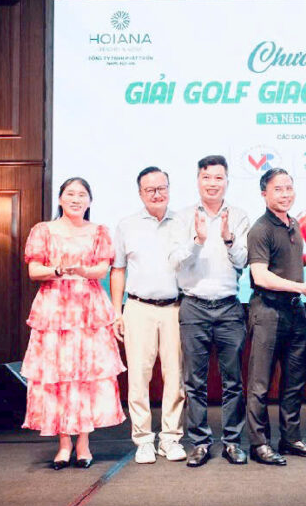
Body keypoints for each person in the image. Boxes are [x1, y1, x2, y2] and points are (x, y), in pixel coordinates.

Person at [21, 177, 126, 470]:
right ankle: (63, 444)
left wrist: (82, 270)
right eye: (70, 194)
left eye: (82, 195)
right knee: (59, 374)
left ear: (89, 201)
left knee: (86, 375)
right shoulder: (43, 230)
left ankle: (83, 444)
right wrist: (57, 270)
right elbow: (34, 270)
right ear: (60, 199)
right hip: (54, 310)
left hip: (89, 310)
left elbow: (102, 269)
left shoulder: (99, 231)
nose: (76, 199)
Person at [171, 155, 251, 467]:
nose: (212, 183)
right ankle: (200, 443)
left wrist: (228, 239)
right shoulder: (182, 217)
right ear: (198, 180)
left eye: (218, 178)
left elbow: (243, 261)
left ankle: (232, 442)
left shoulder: (240, 216)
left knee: (233, 381)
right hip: (194, 307)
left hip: (229, 307)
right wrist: (198, 241)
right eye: (207, 177)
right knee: (195, 382)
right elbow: (175, 261)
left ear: (227, 181)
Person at [245, 168, 306, 466]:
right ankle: (259, 444)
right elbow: (261, 276)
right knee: (260, 384)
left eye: (288, 188)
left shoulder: (293, 224)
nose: (285, 194)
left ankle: (291, 439)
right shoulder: (260, 229)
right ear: (264, 193)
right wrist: (304, 287)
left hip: (295, 311)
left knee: (294, 380)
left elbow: (289, 261)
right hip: (268, 311)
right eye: (278, 189)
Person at [109, 167, 187, 465]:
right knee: (139, 377)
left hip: (175, 308)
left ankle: (170, 438)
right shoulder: (126, 225)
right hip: (138, 308)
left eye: (162, 188)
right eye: (150, 189)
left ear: (169, 188)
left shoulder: (183, 222)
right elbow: (118, 270)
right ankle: (143, 440)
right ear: (140, 193)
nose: (157, 194)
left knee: (175, 376)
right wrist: (117, 311)